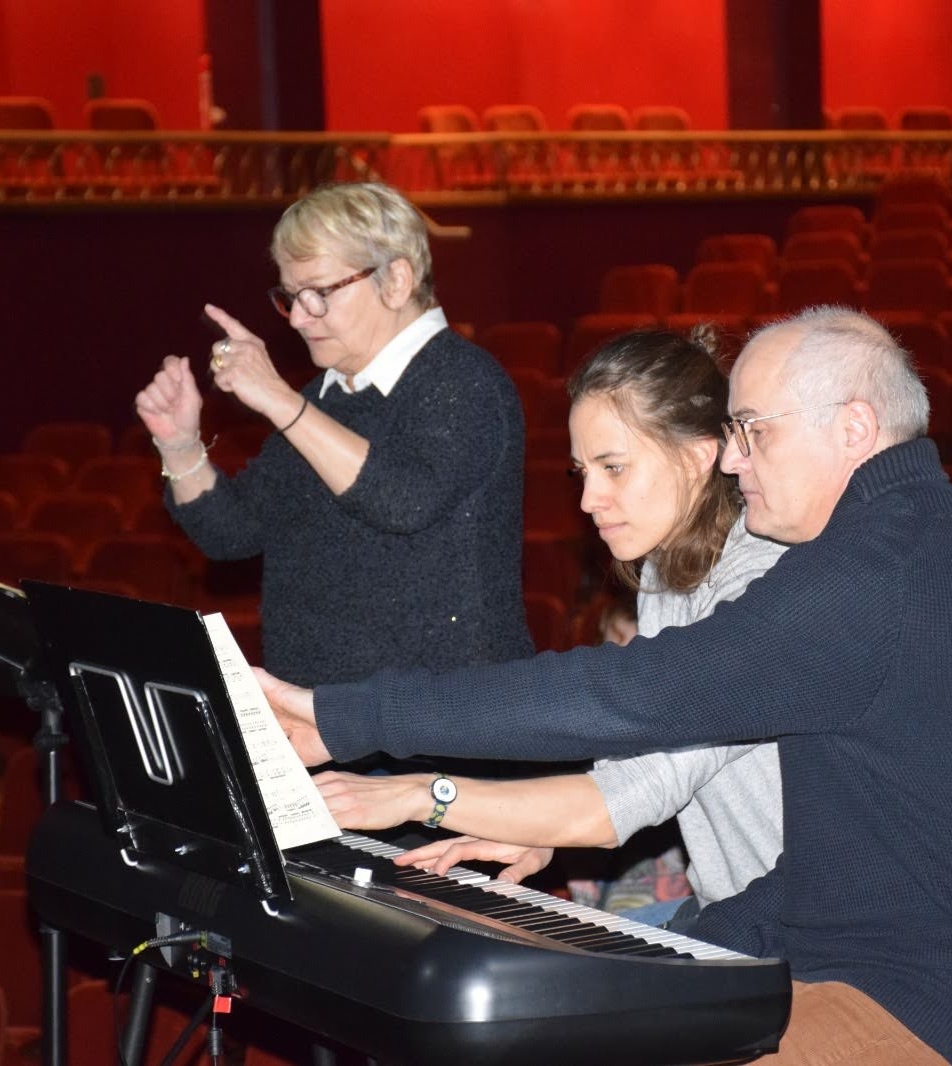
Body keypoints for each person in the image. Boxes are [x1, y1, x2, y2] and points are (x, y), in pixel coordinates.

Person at [261, 306, 952, 1065]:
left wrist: (351, 718)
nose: (733, 460)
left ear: (854, 429)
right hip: (866, 957)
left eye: (752, 432)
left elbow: (634, 696)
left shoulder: (879, 576)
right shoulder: (901, 548)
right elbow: (832, 872)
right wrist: (639, 953)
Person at [309, 329, 787, 932]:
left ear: (696, 456)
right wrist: (539, 835)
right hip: (736, 914)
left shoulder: (762, 583)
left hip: (812, 940)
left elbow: (650, 780)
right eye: (582, 472)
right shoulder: (667, 568)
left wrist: (422, 793)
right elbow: (635, 760)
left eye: (614, 468)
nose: (589, 498)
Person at [133, 181, 532, 686]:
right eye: (291, 297)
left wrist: (280, 400)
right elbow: (230, 533)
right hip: (328, 724)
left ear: (396, 281)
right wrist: (180, 443)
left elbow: (403, 501)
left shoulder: (463, 380)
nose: (299, 318)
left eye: (319, 293)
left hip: (438, 727)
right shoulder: (327, 396)